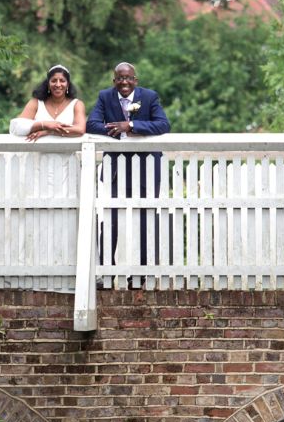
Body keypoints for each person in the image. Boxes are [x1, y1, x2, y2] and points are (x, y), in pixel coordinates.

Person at [85, 62, 170, 275]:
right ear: (114, 81)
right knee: (111, 219)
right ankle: (106, 271)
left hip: (146, 169)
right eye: (120, 78)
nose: (124, 82)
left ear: (135, 80)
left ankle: (140, 275)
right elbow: (91, 124)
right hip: (115, 169)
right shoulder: (106, 96)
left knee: (144, 221)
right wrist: (118, 128)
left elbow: (163, 124)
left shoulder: (149, 97)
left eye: (128, 78)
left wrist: (132, 126)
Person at [9, 64, 86, 140]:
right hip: (36, 151)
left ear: (68, 85)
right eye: (54, 81)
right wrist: (44, 124)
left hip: (66, 152)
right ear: (48, 84)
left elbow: (80, 130)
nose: (58, 84)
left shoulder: (76, 104)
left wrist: (49, 131)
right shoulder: (36, 103)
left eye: (62, 81)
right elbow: (17, 127)